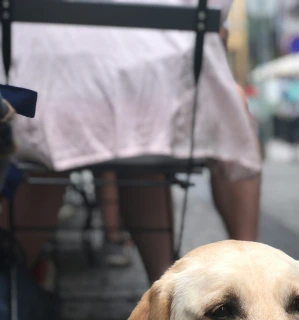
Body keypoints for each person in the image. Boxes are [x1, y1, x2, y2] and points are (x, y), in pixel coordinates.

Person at [4, 0, 261, 283]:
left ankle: (11, 281)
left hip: (49, 106)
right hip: (155, 107)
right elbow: (217, 25)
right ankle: (250, 270)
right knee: (159, 137)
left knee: (43, 161)